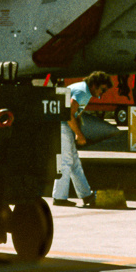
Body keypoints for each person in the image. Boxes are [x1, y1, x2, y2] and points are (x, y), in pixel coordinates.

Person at [54, 71, 113, 208]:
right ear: (94, 85)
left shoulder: (83, 90)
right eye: (102, 90)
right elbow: (68, 113)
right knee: (66, 161)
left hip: (65, 125)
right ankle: (59, 197)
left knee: (74, 163)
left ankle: (86, 195)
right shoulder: (82, 92)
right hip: (63, 125)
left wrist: (77, 132)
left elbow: (74, 113)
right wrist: (79, 134)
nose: (101, 94)